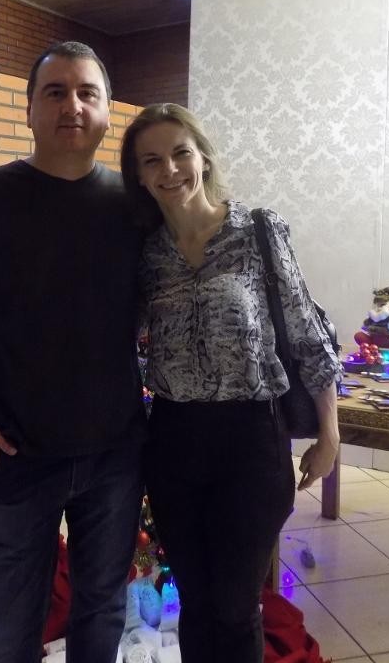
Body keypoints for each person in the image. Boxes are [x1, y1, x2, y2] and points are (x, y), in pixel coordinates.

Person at [0, 41, 146, 663]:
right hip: (16, 453)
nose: (72, 106)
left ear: (107, 111)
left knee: (102, 609)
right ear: (28, 110)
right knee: (11, 623)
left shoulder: (135, 205)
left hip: (116, 452)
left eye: (87, 93)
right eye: (55, 92)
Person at [119, 103, 341, 663]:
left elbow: (306, 333)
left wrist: (330, 432)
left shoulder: (257, 232)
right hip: (174, 440)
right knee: (196, 600)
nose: (170, 169)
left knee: (237, 604)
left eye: (180, 153)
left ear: (203, 157)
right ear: (139, 176)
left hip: (251, 440)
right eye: (152, 160)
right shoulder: (146, 256)